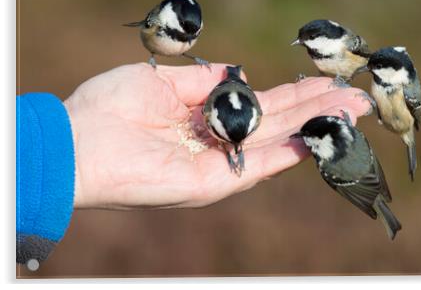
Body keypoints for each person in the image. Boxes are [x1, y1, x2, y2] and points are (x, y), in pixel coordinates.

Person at [16, 63, 371, 265]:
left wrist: (56, 147)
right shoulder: (210, 108)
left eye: (241, 141)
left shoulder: (253, 113)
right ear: (210, 115)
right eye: (227, 138)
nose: (236, 147)